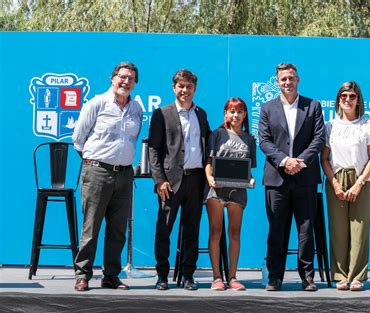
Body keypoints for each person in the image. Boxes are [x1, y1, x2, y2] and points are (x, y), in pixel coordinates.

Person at [72, 61, 143, 291]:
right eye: (122, 77)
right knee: (91, 227)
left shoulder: (136, 110)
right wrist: (95, 161)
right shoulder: (97, 103)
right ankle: (83, 275)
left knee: (118, 230)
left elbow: (132, 141)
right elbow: (78, 138)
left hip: (124, 174)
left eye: (131, 78)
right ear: (113, 78)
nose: (126, 81)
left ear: (135, 83)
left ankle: (111, 276)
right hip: (97, 171)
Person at [258, 63, 325, 291]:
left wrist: (300, 161)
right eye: (283, 79)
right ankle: (274, 278)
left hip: (305, 178)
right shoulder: (267, 108)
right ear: (277, 82)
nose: (288, 82)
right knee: (276, 229)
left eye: (291, 78)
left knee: (306, 230)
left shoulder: (313, 106)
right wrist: (285, 161)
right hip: (277, 178)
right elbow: (264, 141)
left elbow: (319, 138)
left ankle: (307, 277)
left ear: (298, 80)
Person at [148, 69, 211, 291]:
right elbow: (154, 150)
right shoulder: (162, 113)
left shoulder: (201, 114)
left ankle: (187, 276)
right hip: (170, 182)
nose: (185, 90)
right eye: (181, 86)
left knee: (192, 230)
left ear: (195, 88)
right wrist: (159, 181)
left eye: (189, 86)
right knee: (164, 229)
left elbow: (207, 146)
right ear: (174, 88)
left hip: (195, 181)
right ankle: (162, 276)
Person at [321, 81, 370, 291]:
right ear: (338, 99)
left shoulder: (367, 125)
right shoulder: (330, 126)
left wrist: (359, 184)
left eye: (352, 96)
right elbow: (324, 158)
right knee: (338, 230)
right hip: (336, 179)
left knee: (359, 229)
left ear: (358, 100)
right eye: (343, 96)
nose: (347, 99)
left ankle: (357, 276)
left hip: (361, 179)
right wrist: (335, 183)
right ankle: (341, 276)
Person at [204, 97, 256, 291]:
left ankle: (232, 277)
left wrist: (251, 180)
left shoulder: (250, 139)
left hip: (238, 192)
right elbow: (209, 161)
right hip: (216, 190)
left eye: (239, 111)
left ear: (245, 115)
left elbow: (248, 170)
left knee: (234, 233)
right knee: (215, 232)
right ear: (225, 114)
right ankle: (217, 277)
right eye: (231, 111)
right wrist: (209, 177)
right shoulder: (217, 134)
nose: (235, 115)